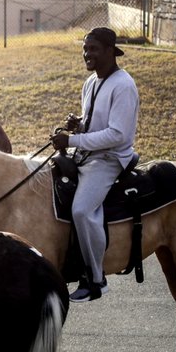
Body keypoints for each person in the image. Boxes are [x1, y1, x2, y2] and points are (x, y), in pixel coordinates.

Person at [51, 27, 140, 303]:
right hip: (88, 155)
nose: (87, 54)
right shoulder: (90, 82)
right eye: (85, 48)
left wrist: (74, 138)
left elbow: (118, 135)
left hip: (110, 160)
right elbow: (93, 120)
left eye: (94, 49)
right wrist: (77, 123)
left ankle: (96, 279)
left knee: (81, 210)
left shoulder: (124, 85)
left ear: (111, 51)